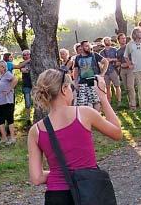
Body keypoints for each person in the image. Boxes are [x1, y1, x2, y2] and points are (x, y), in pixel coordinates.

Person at [28, 69, 122, 204]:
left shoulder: (35, 130)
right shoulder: (84, 113)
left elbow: (36, 178)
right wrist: (103, 98)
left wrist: (58, 174)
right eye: (71, 87)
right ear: (64, 89)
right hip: (89, 190)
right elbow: (117, 133)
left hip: (56, 197)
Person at [72, 40, 108, 110]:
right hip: (82, 82)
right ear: (82, 47)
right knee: (82, 102)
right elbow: (76, 70)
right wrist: (75, 82)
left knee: (95, 101)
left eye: (89, 45)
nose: (88, 47)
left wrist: (102, 74)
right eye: (86, 46)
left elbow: (106, 62)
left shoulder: (94, 55)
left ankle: (97, 117)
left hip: (92, 80)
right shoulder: (78, 57)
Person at [0, 61, 18, 145]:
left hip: (7, 101)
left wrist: (9, 89)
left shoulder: (7, 74)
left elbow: (15, 79)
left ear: (4, 67)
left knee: (9, 119)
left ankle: (12, 138)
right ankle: (4, 138)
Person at [100, 37, 122, 107]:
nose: (108, 41)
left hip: (113, 70)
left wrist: (111, 59)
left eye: (109, 40)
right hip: (105, 72)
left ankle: (119, 101)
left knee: (117, 86)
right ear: (104, 42)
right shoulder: (101, 52)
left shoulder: (114, 50)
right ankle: (109, 103)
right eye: (106, 40)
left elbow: (119, 59)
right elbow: (100, 63)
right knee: (107, 87)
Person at [116, 33, 136, 110]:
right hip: (122, 70)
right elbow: (118, 61)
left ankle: (133, 105)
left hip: (130, 69)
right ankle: (130, 103)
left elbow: (134, 57)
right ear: (118, 40)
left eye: (124, 38)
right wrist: (120, 64)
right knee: (126, 88)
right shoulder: (118, 51)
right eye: (122, 38)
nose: (124, 39)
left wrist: (128, 64)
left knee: (131, 87)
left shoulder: (129, 47)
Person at [17, 49, 33, 125]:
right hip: (26, 85)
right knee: (28, 103)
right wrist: (29, 62)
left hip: (35, 85)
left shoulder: (35, 62)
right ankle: (28, 119)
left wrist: (29, 68)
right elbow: (24, 70)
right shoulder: (21, 63)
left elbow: (28, 70)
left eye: (28, 54)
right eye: (24, 55)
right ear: (23, 56)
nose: (26, 56)